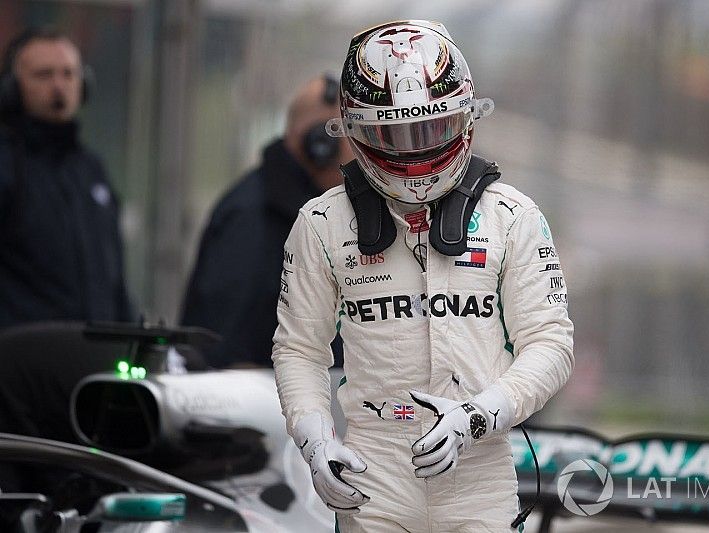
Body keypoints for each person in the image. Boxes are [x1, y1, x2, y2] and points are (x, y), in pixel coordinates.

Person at [272, 20, 574, 532]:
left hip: (479, 471)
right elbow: (299, 348)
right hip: (372, 475)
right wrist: (314, 440)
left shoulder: (512, 217)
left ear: (466, 117)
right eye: (393, 134)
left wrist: (479, 415)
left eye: (431, 129)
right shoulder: (321, 223)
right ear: (355, 130)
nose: (414, 153)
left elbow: (551, 343)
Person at [181, 75, 353, 368]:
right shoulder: (251, 218)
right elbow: (219, 351)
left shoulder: (307, 212)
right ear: (321, 146)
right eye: (353, 137)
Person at [0, 27, 132, 329]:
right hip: (22, 353)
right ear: (12, 88)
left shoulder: (91, 170)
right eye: (44, 75)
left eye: (69, 74)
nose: (59, 85)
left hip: (96, 349)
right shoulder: (7, 166)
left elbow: (114, 278)